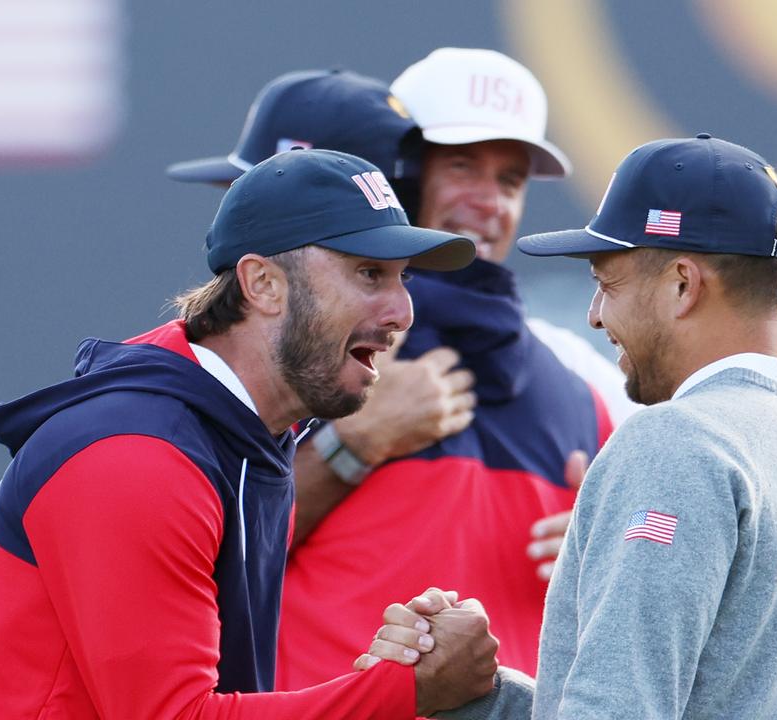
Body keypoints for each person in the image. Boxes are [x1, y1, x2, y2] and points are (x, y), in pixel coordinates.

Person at [0, 149, 497, 719]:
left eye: (402, 278)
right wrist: (404, 691)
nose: (403, 311)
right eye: (369, 273)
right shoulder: (137, 457)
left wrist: (408, 661)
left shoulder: (248, 438)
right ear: (262, 283)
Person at [164, 53, 629, 686]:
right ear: (398, 180)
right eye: (461, 164)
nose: (488, 200)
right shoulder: (293, 357)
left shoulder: (587, 388)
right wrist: (350, 445)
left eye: (511, 178)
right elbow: (193, 558)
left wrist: (609, 547)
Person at [364, 135, 777, 718]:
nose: (595, 314)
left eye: (608, 283)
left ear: (683, 284)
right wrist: (480, 695)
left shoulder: (679, 440)